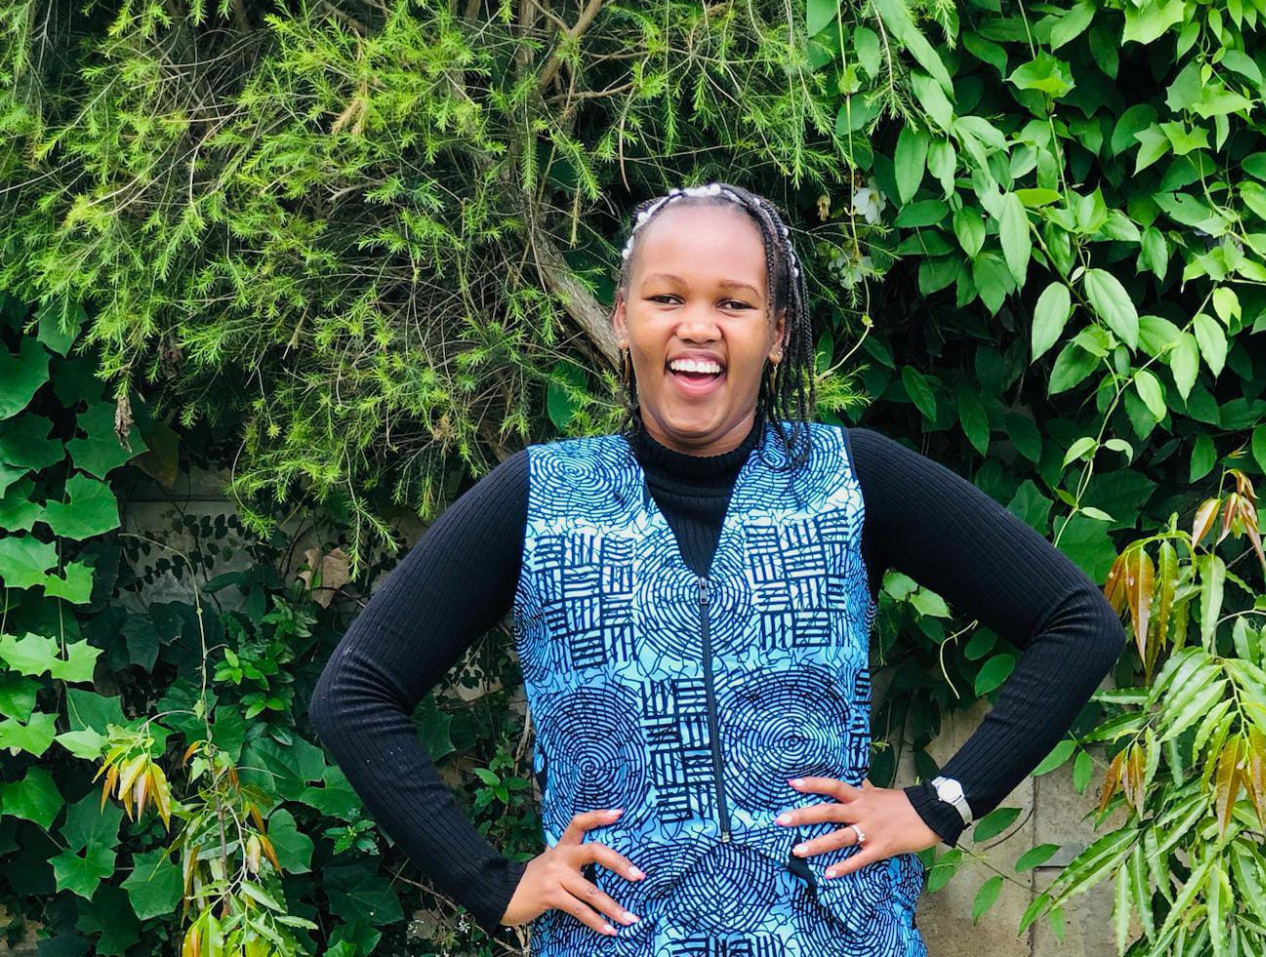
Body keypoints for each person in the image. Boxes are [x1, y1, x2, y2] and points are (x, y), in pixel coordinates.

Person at [308, 181, 1127, 955]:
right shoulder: (540, 498)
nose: (698, 326)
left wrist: (943, 802)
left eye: (733, 303)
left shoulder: (851, 479)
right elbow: (355, 693)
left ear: (777, 333)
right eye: (667, 298)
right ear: (622, 319)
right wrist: (491, 884)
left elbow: (1076, 621)